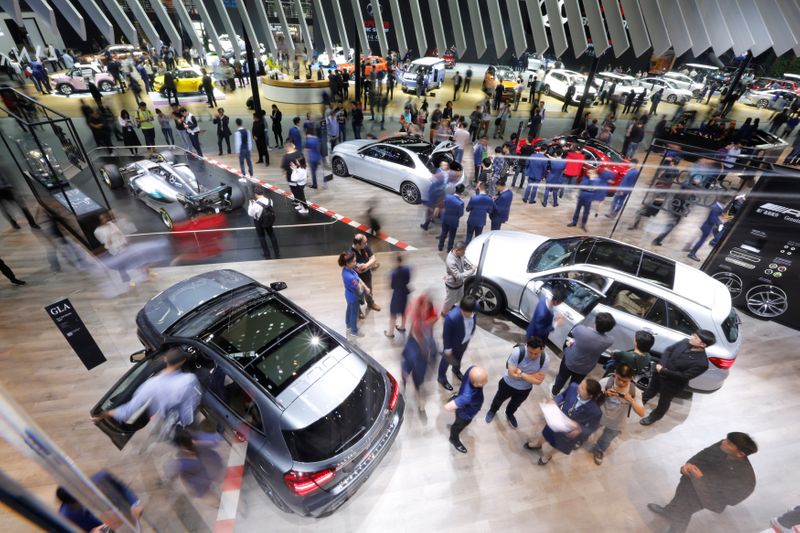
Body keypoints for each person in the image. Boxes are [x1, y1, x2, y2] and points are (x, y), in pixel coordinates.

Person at [647, 433, 758, 533]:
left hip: (704, 497)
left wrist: (702, 479)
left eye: (728, 443)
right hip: (690, 483)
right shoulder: (722, 445)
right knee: (678, 500)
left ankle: (676, 530)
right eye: (726, 439)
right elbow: (702, 454)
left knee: (683, 512)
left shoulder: (746, 479)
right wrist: (688, 464)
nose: (723, 442)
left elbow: (731, 499)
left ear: (740, 454)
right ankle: (669, 511)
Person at [93, 347, 200, 430]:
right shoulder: (189, 380)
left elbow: (128, 411)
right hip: (189, 422)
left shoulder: (151, 385)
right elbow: (193, 403)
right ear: (182, 361)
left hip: (169, 425)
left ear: (165, 359)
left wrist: (104, 414)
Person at [640, 330, 714, 425]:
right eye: (693, 335)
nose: (691, 337)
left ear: (703, 345)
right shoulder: (684, 342)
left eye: (695, 337)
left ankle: (653, 417)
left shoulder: (702, 363)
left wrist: (663, 370)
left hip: (672, 384)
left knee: (663, 402)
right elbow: (668, 350)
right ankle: (639, 403)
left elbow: (684, 376)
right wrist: (661, 366)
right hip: (658, 374)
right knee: (650, 390)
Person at [524, 379, 604, 465]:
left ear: (590, 395)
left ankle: (547, 456)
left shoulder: (595, 411)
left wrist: (579, 429)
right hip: (557, 419)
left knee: (558, 445)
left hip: (570, 432)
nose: (579, 386)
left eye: (582, 388)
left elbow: (592, 428)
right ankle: (538, 444)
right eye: (581, 383)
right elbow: (563, 395)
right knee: (546, 433)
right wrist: (555, 401)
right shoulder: (573, 387)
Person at [485, 337, 549, 428]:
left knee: (515, 404)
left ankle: (509, 413)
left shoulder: (545, 359)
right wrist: (532, 375)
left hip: (525, 389)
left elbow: (538, 382)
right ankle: (492, 411)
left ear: (541, 350)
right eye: (530, 352)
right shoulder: (518, 352)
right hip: (508, 384)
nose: (533, 356)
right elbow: (511, 374)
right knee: (498, 400)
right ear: (527, 347)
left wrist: (521, 373)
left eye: (536, 353)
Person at [551, 312, 616, 396]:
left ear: (595, 322)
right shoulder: (609, 341)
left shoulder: (580, 329)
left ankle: (554, 392)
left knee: (561, 377)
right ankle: (567, 397)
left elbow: (573, 334)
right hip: (586, 367)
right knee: (575, 384)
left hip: (570, 360)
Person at [592, 364, 645, 465]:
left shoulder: (635, 392)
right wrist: (605, 394)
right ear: (615, 374)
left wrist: (631, 401)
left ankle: (599, 450)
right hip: (599, 415)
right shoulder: (605, 382)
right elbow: (591, 398)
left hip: (617, 422)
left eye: (625, 381)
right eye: (619, 378)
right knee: (589, 429)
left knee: (606, 439)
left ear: (631, 378)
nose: (621, 382)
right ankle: (580, 439)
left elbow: (641, 413)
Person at [56, 470, 144, 532]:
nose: (87, 498)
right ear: (71, 504)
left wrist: (135, 503)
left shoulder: (102, 478)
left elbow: (122, 488)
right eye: (80, 500)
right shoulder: (66, 517)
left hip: (130, 524)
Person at [401, 293, 439, 412]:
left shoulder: (431, 316)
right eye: (423, 305)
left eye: (427, 306)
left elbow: (432, 321)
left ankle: (419, 398)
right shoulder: (416, 315)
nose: (424, 308)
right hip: (415, 346)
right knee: (407, 368)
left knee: (418, 377)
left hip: (422, 350)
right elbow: (413, 319)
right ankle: (405, 383)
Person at [437, 295, 479, 391]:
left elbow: (477, 304)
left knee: (459, 357)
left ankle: (456, 370)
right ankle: (441, 378)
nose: (465, 314)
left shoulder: (475, 308)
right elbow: (446, 335)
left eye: (467, 312)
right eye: (463, 311)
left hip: (464, 341)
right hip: (452, 345)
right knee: (446, 361)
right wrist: (447, 349)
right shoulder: (451, 318)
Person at [168, 429, 225, 500]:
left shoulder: (198, 439)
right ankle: (219, 504)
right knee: (210, 498)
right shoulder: (181, 461)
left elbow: (216, 440)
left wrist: (198, 443)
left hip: (214, 467)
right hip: (201, 483)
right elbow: (180, 475)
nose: (184, 448)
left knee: (224, 486)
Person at [444, 364, 488, 453]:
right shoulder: (468, 396)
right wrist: (459, 402)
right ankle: (453, 438)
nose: (486, 381)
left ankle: (454, 427)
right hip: (465, 414)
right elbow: (448, 407)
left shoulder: (472, 369)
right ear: (476, 384)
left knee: (457, 424)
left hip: (464, 405)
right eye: (484, 381)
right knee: (458, 426)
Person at [339, 250, 369, 339]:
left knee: (349, 310)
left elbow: (357, 279)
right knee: (354, 314)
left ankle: (348, 325)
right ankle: (354, 331)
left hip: (348, 295)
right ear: (347, 263)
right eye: (354, 262)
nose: (355, 263)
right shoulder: (350, 277)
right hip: (354, 297)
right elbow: (359, 289)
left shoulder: (346, 269)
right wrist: (366, 289)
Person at [352, 233, 381, 314]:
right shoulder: (350, 253)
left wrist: (366, 265)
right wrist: (368, 266)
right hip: (356, 279)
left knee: (369, 291)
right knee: (358, 294)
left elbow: (373, 258)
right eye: (364, 243)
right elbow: (357, 269)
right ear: (358, 244)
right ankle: (358, 310)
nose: (366, 244)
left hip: (367, 275)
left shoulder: (365, 246)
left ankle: (370, 303)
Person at [247, 187, 279, 259]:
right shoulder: (270, 200)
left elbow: (250, 213)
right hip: (269, 220)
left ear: (256, 194)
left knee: (262, 237)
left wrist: (250, 204)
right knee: (272, 235)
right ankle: (277, 252)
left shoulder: (256, 204)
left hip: (259, 222)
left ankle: (266, 253)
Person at [386, 254, 411, 338]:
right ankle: (403, 326)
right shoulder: (407, 269)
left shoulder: (393, 273)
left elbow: (392, 286)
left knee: (393, 313)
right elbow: (408, 281)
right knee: (403, 311)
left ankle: (390, 333)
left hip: (397, 294)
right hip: (405, 292)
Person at [438, 183, 464, 252]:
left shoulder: (447, 196)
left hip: (445, 218)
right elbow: (461, 214)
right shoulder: (461, 202)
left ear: (455, 189)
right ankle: (449, 249)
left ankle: (440, 246)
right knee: (452, 236)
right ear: (462, 192)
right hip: (453, 221)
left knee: (443, 233)